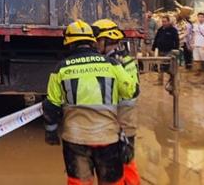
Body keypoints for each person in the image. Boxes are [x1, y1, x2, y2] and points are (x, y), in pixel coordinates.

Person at [43, 20, 137, 185]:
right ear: (93, 41)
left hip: (75, 139)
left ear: (69, 44)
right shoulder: (113, 64)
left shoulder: (61, 69)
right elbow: (131, 91)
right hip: (108, 138)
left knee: (79, 182)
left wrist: (51, 132)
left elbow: (51, 105)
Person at [92, 19, 141, 185]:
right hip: (115, 123)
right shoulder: (116, 60)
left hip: (122, 123)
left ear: (106, 40)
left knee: (123, 166)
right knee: (120, 167)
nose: (96, 44)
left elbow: (131, 92)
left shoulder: (121, 62)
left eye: (97, 41)